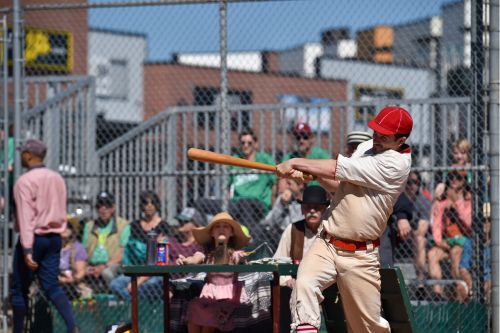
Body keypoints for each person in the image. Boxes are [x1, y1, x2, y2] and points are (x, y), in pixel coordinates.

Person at [276, 106, 413, 332]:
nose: (376, 138)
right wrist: (315, 176)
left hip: (361, 255)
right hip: (327, 242)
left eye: (384, 136)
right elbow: (341, 184)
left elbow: (337, 167)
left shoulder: (395, 164)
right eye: (376, 132)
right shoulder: (367, 147)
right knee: (305, 285)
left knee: (367, 327)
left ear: (401, 140)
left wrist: (296, 162)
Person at [11, 138, 78, 333]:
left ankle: (17, 330)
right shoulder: (57, 178)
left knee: (19, 289)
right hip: (54, 238)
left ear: (28, 155)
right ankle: (72, 326)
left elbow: (25, 217)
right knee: (51, 286)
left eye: (23, 153)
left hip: (34, 238)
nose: (21, 156)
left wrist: (27, 249)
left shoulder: (24, 181)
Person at [177, 212, 251, 333]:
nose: (221, 229)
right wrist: (185, 260)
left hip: (228, 297)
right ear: (211, 232)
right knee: (194, 306)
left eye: (226, 226)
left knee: (209, 321)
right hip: (209, 296)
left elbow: (241, 259)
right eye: (217, 226)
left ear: (232, 232)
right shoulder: (206, 254)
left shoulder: (234, 254)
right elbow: (195, 259)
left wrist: (242, 259)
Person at [272, 185, 330, 332]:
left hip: (326, 288)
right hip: (295, 290)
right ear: (302, 209)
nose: (312, 210)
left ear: (324, 209)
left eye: (316, 207)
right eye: (308, 207)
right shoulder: (292, 230)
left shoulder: (331, 232)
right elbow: (277, 262)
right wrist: (286, 280)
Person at [110, 190, 170, 299]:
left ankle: (139, 308)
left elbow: (162, 258)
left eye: (152, 203)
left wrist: (139, 281)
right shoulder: (134, 226)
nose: (149, 206)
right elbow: (125, 249)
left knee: (147, 286)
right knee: (115, 285)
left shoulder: (163, 226)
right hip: (136, 269)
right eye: (146, 203)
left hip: (154, 273)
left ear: (157, 205)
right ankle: (133, 306)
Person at [428, 171, 472, 301]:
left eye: (458, 177)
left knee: (455, 252)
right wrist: (438, 241)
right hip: (447, 240)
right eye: (451, 177)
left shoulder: (468, 198)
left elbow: (469, 225)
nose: (454, 180)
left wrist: (457, 203)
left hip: (464, 241)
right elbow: (436, 223)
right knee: (432, 254)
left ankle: (460, 291)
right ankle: (438, 295)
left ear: (464, 180)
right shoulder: (442, 200)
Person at [82, 191, 130, 290]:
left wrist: (104, 266)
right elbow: (84, 251)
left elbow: (122, 253)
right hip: (92, 265)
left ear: (113, 207)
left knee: (106, 273)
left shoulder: (123, 225)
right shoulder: (89, 226)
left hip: (113, 265)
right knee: (79, 272)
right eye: (100, 205)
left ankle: (114, 299)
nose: (103, 209)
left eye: (107, 205)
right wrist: (87, 267)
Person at [59, 222, 89, 300]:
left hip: (72, 284)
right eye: (62, 226)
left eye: (68, 226)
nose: (65, 228)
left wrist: (69, 280)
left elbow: (81, 272)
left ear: (73, 230)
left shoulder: (78, 248)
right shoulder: (51, 247)